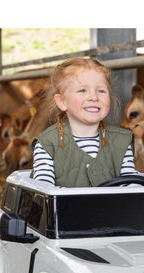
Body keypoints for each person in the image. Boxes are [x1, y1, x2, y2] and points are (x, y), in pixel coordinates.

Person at [31, 57, 137, 186]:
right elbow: (44, 190)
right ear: (62, 102)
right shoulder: (47, 145)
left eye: (101, 91)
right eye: (82, 90)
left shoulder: (121, 142)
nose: (94, 97)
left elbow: (131, 185)